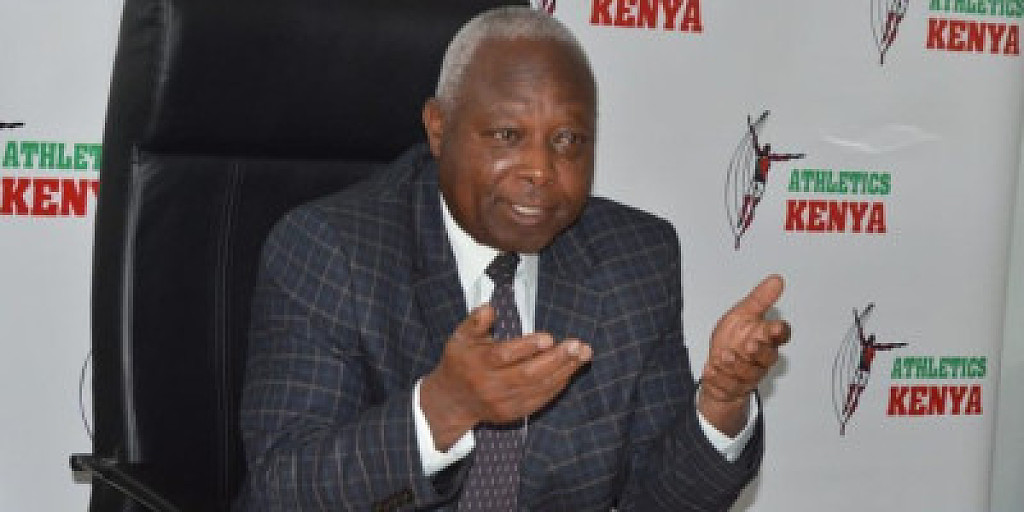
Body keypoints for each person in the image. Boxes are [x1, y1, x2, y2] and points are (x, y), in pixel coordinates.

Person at [235, 7, 790, 511]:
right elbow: (282, 490)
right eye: (507, 135)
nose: (541, 171)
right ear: (439, 128)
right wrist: (444, 408)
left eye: (568, 140)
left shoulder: (635, 259)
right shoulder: (331, 250)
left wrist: (720, 404)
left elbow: (659, 498)